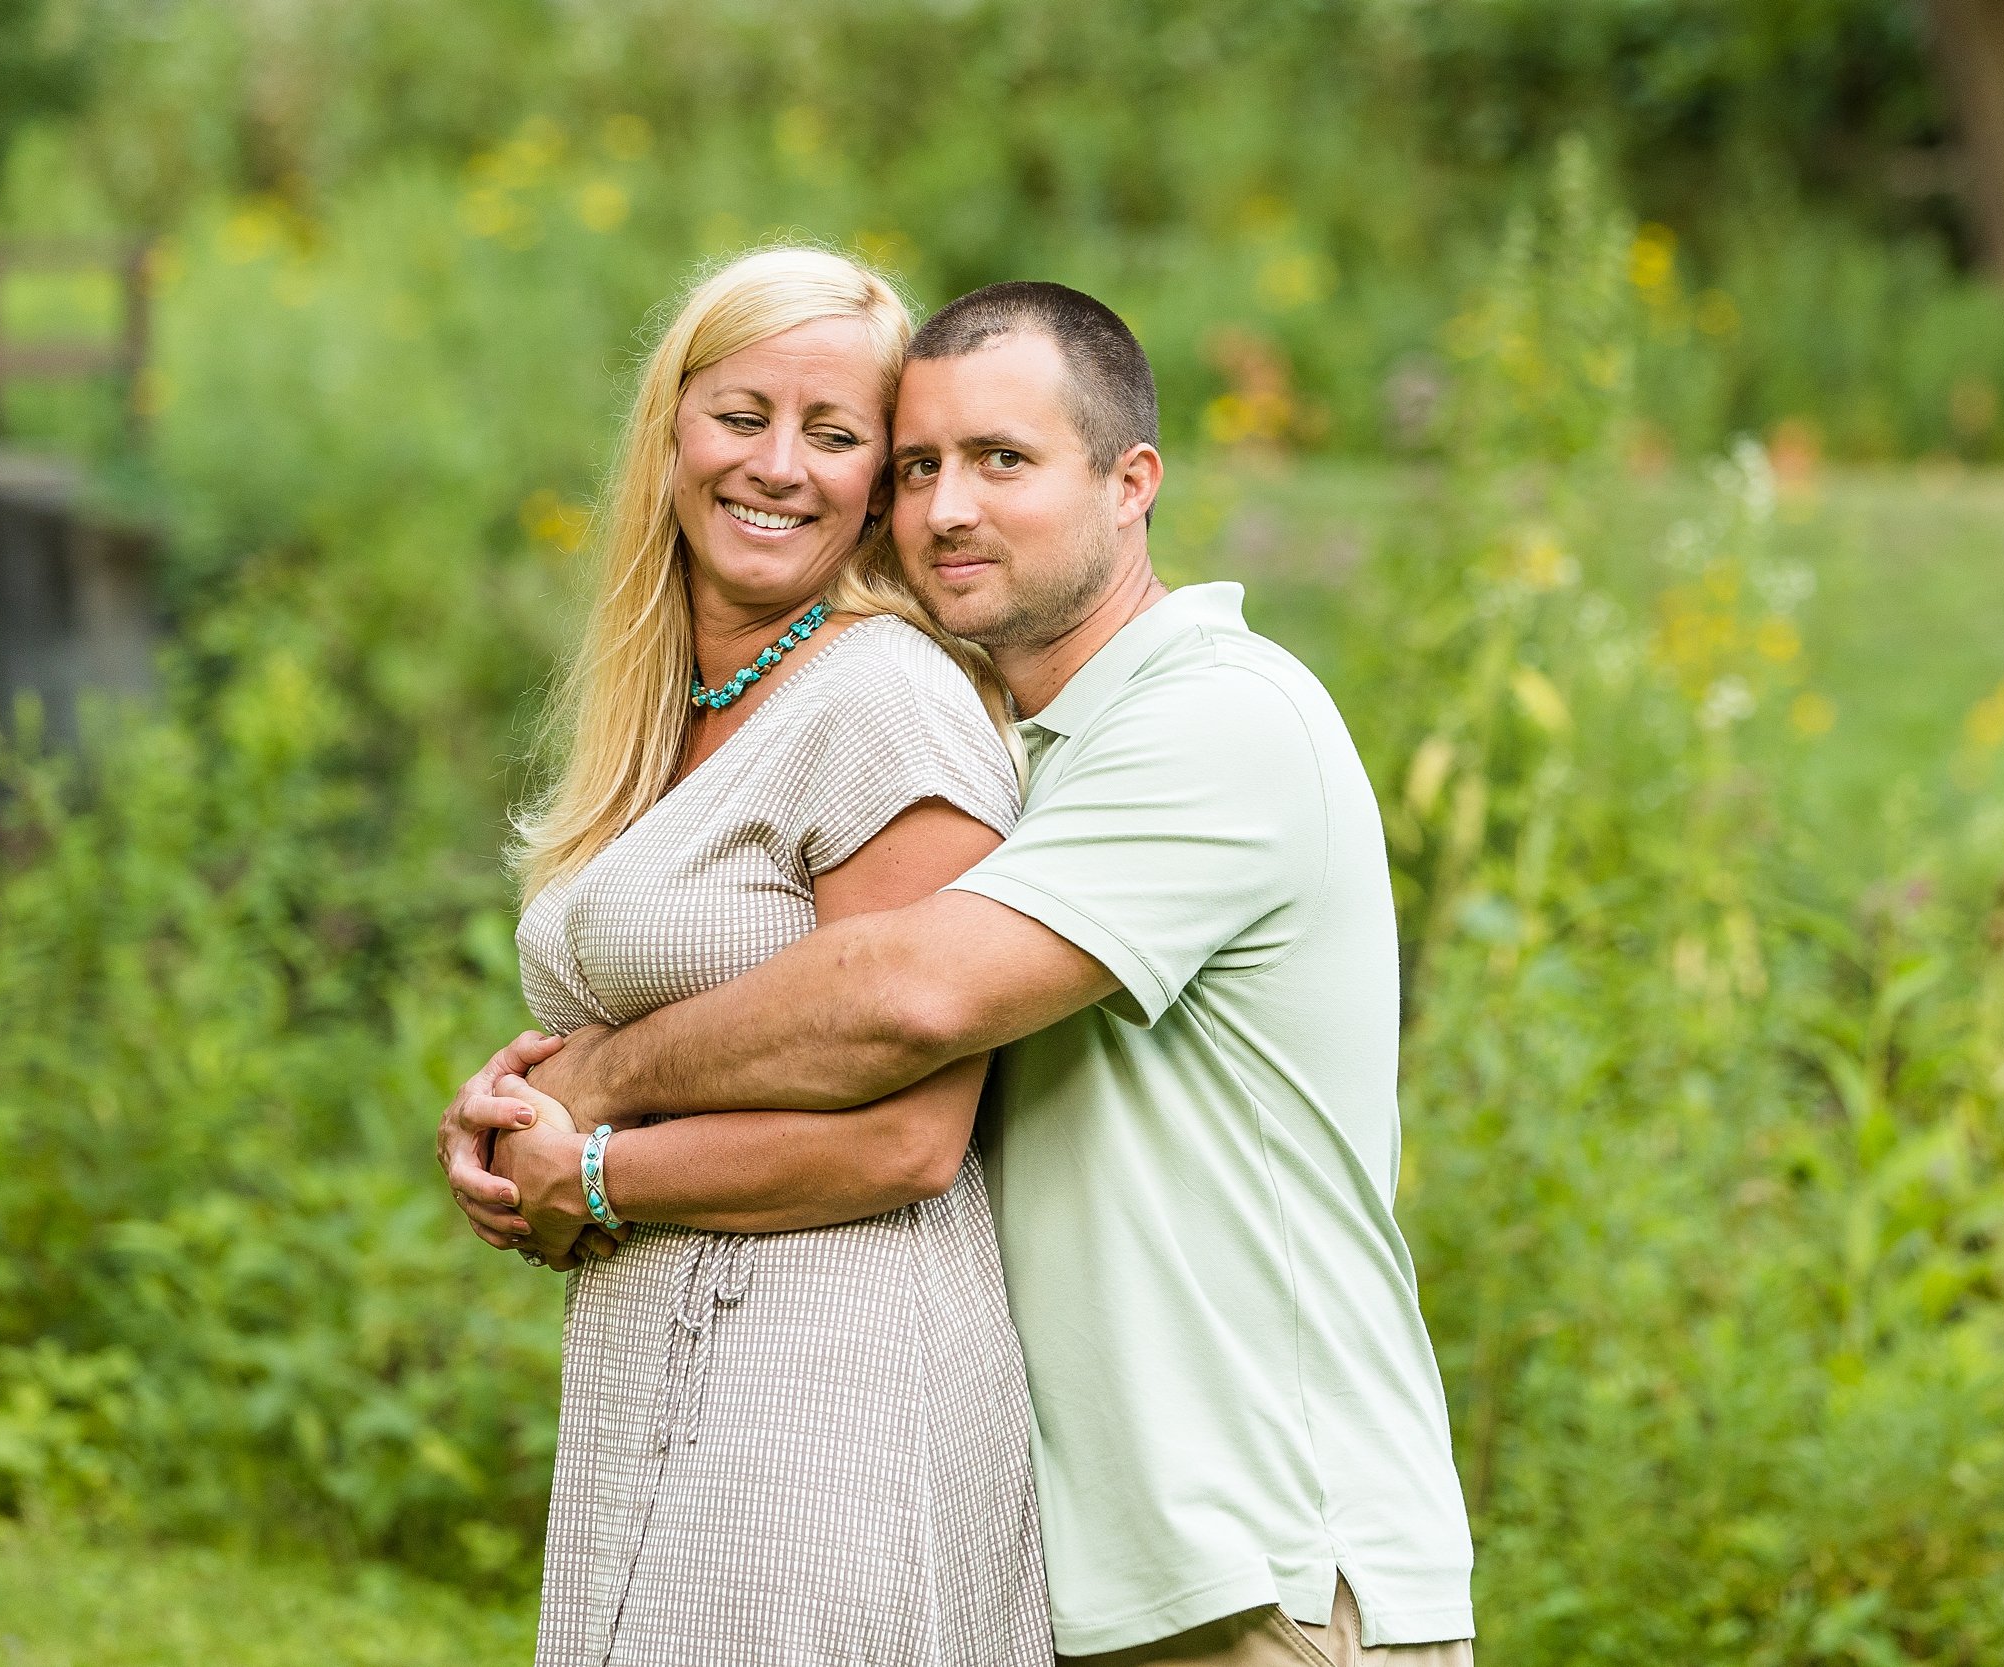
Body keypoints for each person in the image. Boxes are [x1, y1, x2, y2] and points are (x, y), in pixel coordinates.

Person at [444, 281, 1476, 1665]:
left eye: (1004, 461)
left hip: (1275, 1576)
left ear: (1132, 484)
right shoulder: (1035, 751)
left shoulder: (1222, 721)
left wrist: (593, 1094)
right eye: (920, 465)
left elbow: (903, 1000)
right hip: (1103, 1573)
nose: (946, 511)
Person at [458, 246, 1050, 1667]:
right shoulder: (671, 716)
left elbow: (913, 1135)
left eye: (835, 436)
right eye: (742, 416)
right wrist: (522, 1110)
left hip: (828, 1384)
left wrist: (589, 1170)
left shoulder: (887, 699)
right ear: (671, 431)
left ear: (878, 487)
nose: (778, 467)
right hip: (667, 1353)